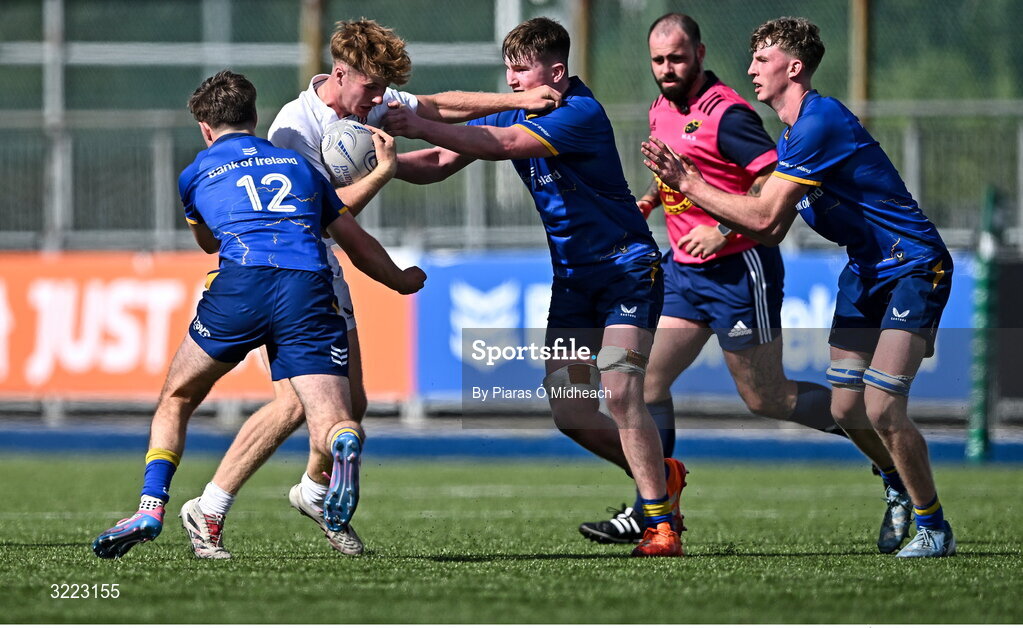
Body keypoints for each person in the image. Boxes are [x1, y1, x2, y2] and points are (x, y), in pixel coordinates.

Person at [178, 18, 565, 559]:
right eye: (373, 90)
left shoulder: (367, 99)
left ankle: (314, 493)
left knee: (351, 405)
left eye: (385, 91)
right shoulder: (295, 129)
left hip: (317, 268)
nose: (381, 101)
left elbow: (435, 107)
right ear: (340, 75)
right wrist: (385, 197)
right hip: (292, 269)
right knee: (297, 403)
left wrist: (513, 102)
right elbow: (326, 219)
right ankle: (211, 506)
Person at [579, 12, 902, 554]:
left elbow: (771, 188)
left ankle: (886, 453)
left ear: (700, 54)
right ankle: (655, 512)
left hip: (739, 268)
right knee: (644, 385)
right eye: (658, 60)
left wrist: (722, 225)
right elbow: (677, 169)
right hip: (684, 270)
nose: (666, 69)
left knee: (767, 398)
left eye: (677, 58)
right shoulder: (663, 107)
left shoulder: (729, 115)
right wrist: (653, 199)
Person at [643, 17, 955, 558]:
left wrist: (691, 186)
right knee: (843, 410)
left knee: (881, 406)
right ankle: (895, 484)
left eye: (761, 60)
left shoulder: (819, 121)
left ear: (794, 67)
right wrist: (665, 196)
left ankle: (934, 526)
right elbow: (777, 222)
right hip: (865, 271)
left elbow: (764, 220)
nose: (750, 70)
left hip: (912, 266)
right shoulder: (792, 137)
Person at [91, 70, 425, 559]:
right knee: (339, 418)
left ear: (206, 128)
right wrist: (400, 280)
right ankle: (340, 447)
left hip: (242, 284)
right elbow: (355, 242)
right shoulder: (299, 166)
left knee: (179, 395)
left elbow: (208, 241)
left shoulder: (196, 172)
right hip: (308, 286)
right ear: (255, 117)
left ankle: (151, 505)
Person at [386, 17, 686, 557]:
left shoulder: (580, 114)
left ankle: (661, 526)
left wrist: (418, 122)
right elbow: (437, 159)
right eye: (508, 68)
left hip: (625, 269)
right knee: (571, 410)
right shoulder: (520, 103)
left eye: (521, 70)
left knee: (619, 391)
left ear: (557, 71)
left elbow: (500, 143)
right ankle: (662, 476)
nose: (512, 79)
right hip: (573, 280)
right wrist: (375, 166)